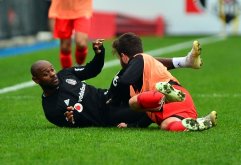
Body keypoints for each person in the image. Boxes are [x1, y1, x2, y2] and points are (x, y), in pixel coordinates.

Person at [31, 39, 207, 129]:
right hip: (108, 113)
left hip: (108, 96)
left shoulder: (65, 75)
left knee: (142, 63)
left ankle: (181, 67)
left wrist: (99, 54)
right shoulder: (51, 109)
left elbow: (91, 70)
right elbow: (72, 123)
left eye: (52, 69)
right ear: (36, 80)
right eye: (46, 74)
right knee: (144, 108)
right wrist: (72, 120)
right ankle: (170, 100)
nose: (52, 75)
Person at [109, 32, 217, 132]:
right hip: (181, 104)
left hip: (171, 94)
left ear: (123, 57)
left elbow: (125, 80)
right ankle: (202, 121)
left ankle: (165, 97)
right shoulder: (146, 66)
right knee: (166, 125)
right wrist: (132, 126)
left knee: (132, 102)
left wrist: (114, 91)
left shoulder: (140, 58)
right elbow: (147, 114)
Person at [48, 0, 92, 69]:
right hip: (62, 9)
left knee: (81, 43)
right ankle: (67, 74)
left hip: (82, 7)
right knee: (65, 47)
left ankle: (79, 67)